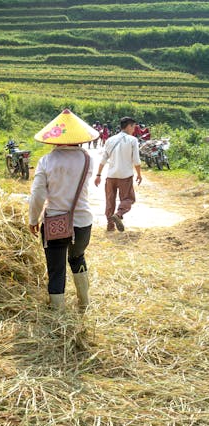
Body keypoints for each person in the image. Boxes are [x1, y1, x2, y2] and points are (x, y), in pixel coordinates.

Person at [28, 109, 98, 312]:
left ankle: (58, 314)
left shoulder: (47, 161)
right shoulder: (87, 159)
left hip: (55, 223)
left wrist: (33, 219)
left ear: (54, 138)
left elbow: (38, 195)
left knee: (56, 269)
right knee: (78, 257)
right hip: (83, 222)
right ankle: (84, 303)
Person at [94, 116, 142, 232]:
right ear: (129, 126)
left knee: (110, 201)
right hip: (125, 176)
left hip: (111, 176)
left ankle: (110, 225)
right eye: (133, 127)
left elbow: (103, 159)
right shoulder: (132, 140)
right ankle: (119, 214)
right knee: (129, 198)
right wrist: (139, 174)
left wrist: (98, 175)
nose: (134, 129)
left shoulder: (110, 140)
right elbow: (136, 160)